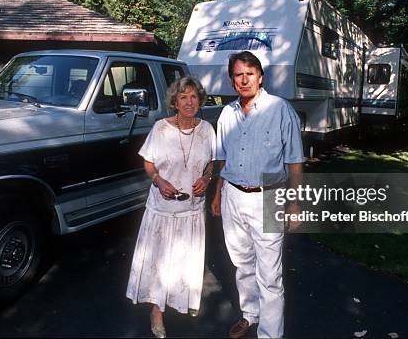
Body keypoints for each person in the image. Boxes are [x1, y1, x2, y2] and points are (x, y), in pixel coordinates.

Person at [211, 51, 303, 338]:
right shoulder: (227, 114)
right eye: (238, 74)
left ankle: (270, 334)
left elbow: (295, 161)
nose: (244, 79)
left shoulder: (280, 109)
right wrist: (217, 194)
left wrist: (295, 203)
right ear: (232, 80)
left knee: (270, 276)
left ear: (260, 77)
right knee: (242, 263)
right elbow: (222, 160)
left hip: (268, 198)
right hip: (232, 197)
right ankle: (249, 315)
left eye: (249, 73)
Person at [126, 76, 216, 338]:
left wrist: (207, 177)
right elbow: (149, 163)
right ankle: (157, 312)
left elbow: (211, 163)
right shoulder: (160, 129)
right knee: (160, 264)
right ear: (174, 102)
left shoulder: (207, 130)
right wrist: (158, 180)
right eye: (183, 97)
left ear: (200, 100)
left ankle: (181, 299)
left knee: (185, 261)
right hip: (162, 212)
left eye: (194, 97)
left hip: (191, 211)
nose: (189, 102)